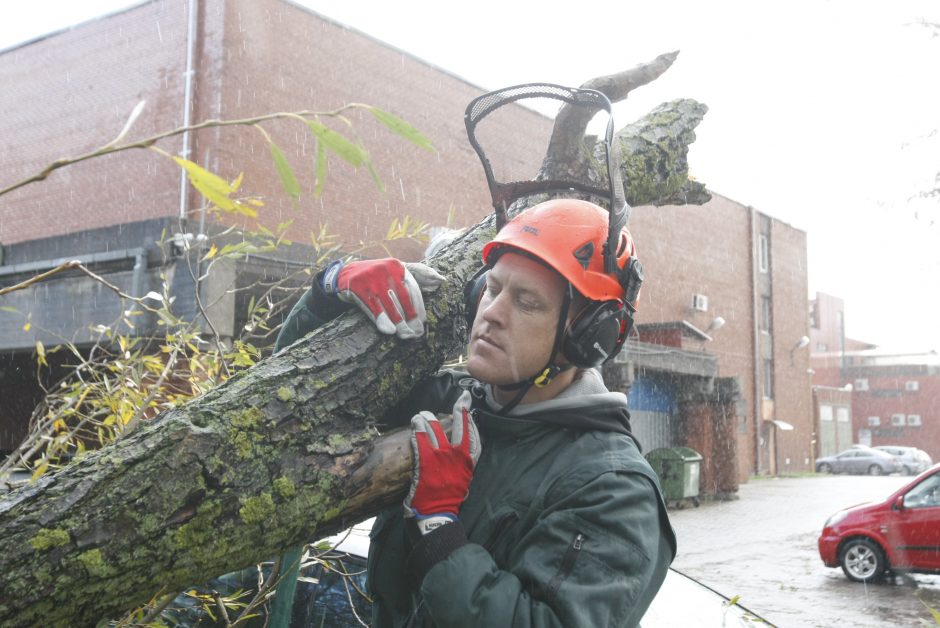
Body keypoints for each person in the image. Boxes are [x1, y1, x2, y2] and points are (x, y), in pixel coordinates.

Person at [276, 198, 676, 627]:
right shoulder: (444, 404)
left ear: (588, 336)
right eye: (493, 288)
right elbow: (291, 405)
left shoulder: (615, 492)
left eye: (526, 302)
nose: (492, 314)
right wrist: (329, 291)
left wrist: (439, 532)